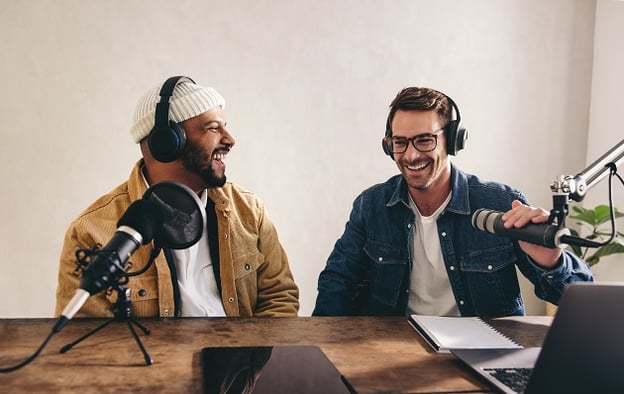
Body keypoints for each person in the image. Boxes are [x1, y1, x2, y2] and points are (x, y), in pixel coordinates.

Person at [313, 87, 593, 317]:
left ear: (453, 140)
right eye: (400, 142)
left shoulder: (503, 203)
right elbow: (337, 282)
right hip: (395, 349)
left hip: (483, 352)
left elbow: (581, 299)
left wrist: (551, 263)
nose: (410, 156)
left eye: (424, 140)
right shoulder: (371, 205)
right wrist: (321, 354)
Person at [55, 76, 299, 318]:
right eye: (213, 128)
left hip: (240, 355)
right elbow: (87, 338)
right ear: (167, 142)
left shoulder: (249, 210)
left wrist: (246, 355)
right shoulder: (91, 232)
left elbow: (279, 299)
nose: (229, 140)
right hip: (154, 358)